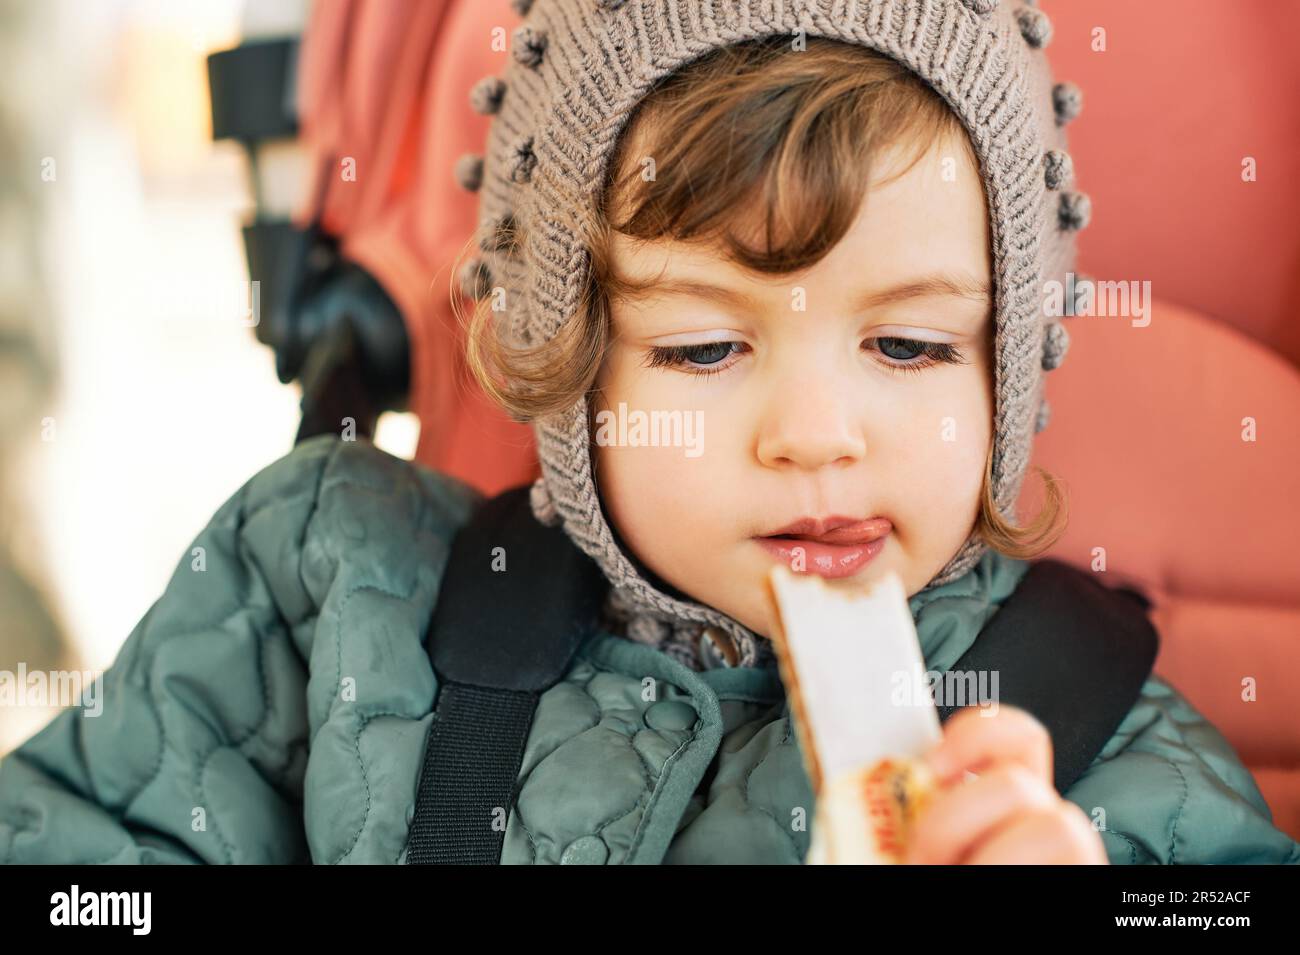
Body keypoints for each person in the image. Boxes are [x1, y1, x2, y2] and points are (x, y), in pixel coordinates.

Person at [2, 0, 1296, 864]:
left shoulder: (1110, 756)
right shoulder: (329, 588)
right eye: (705, 348)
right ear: (573, 355)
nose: (814, 435)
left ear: (1002, 374)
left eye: (908, 345)